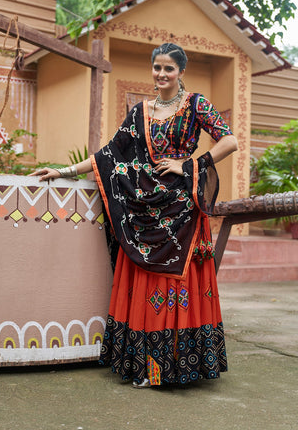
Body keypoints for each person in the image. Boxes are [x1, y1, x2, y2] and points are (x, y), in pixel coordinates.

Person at [31, 42, 238, 388]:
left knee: (175, 287)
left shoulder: (195, 104)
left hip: (182, 213)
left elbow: (229, 141)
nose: (161, 74)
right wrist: (64, 171)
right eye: (157, 67)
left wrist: (190, 164)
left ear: (181, 72)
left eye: (168, 68)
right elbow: (108, 156)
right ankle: (146, 367)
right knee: (145, 287)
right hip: (142, 211)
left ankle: (176, 367)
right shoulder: (140, 111)